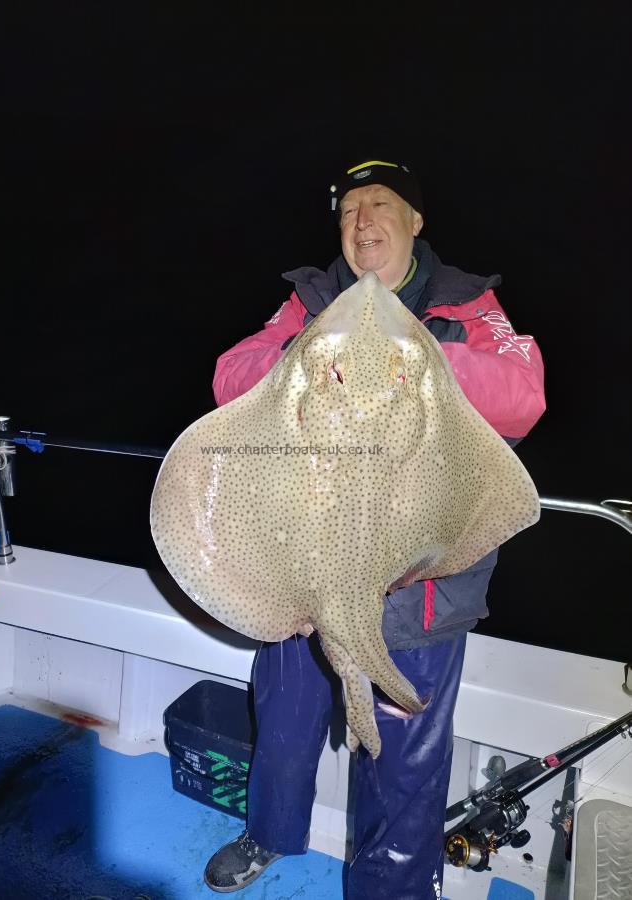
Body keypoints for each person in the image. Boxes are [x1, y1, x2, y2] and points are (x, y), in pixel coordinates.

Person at [203, 158, 546, 898]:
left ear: (415, 221)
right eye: (350, 208)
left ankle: (388, 889)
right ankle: (268, 833)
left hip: (421, 587)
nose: (362, 222)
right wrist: (306, 356)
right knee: (286, 725)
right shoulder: (310, 303)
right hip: (302, 576)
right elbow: (231, 375)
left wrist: (416, 361)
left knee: (402, 763)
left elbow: (522, 395)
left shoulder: (466, 306)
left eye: (380, 203)